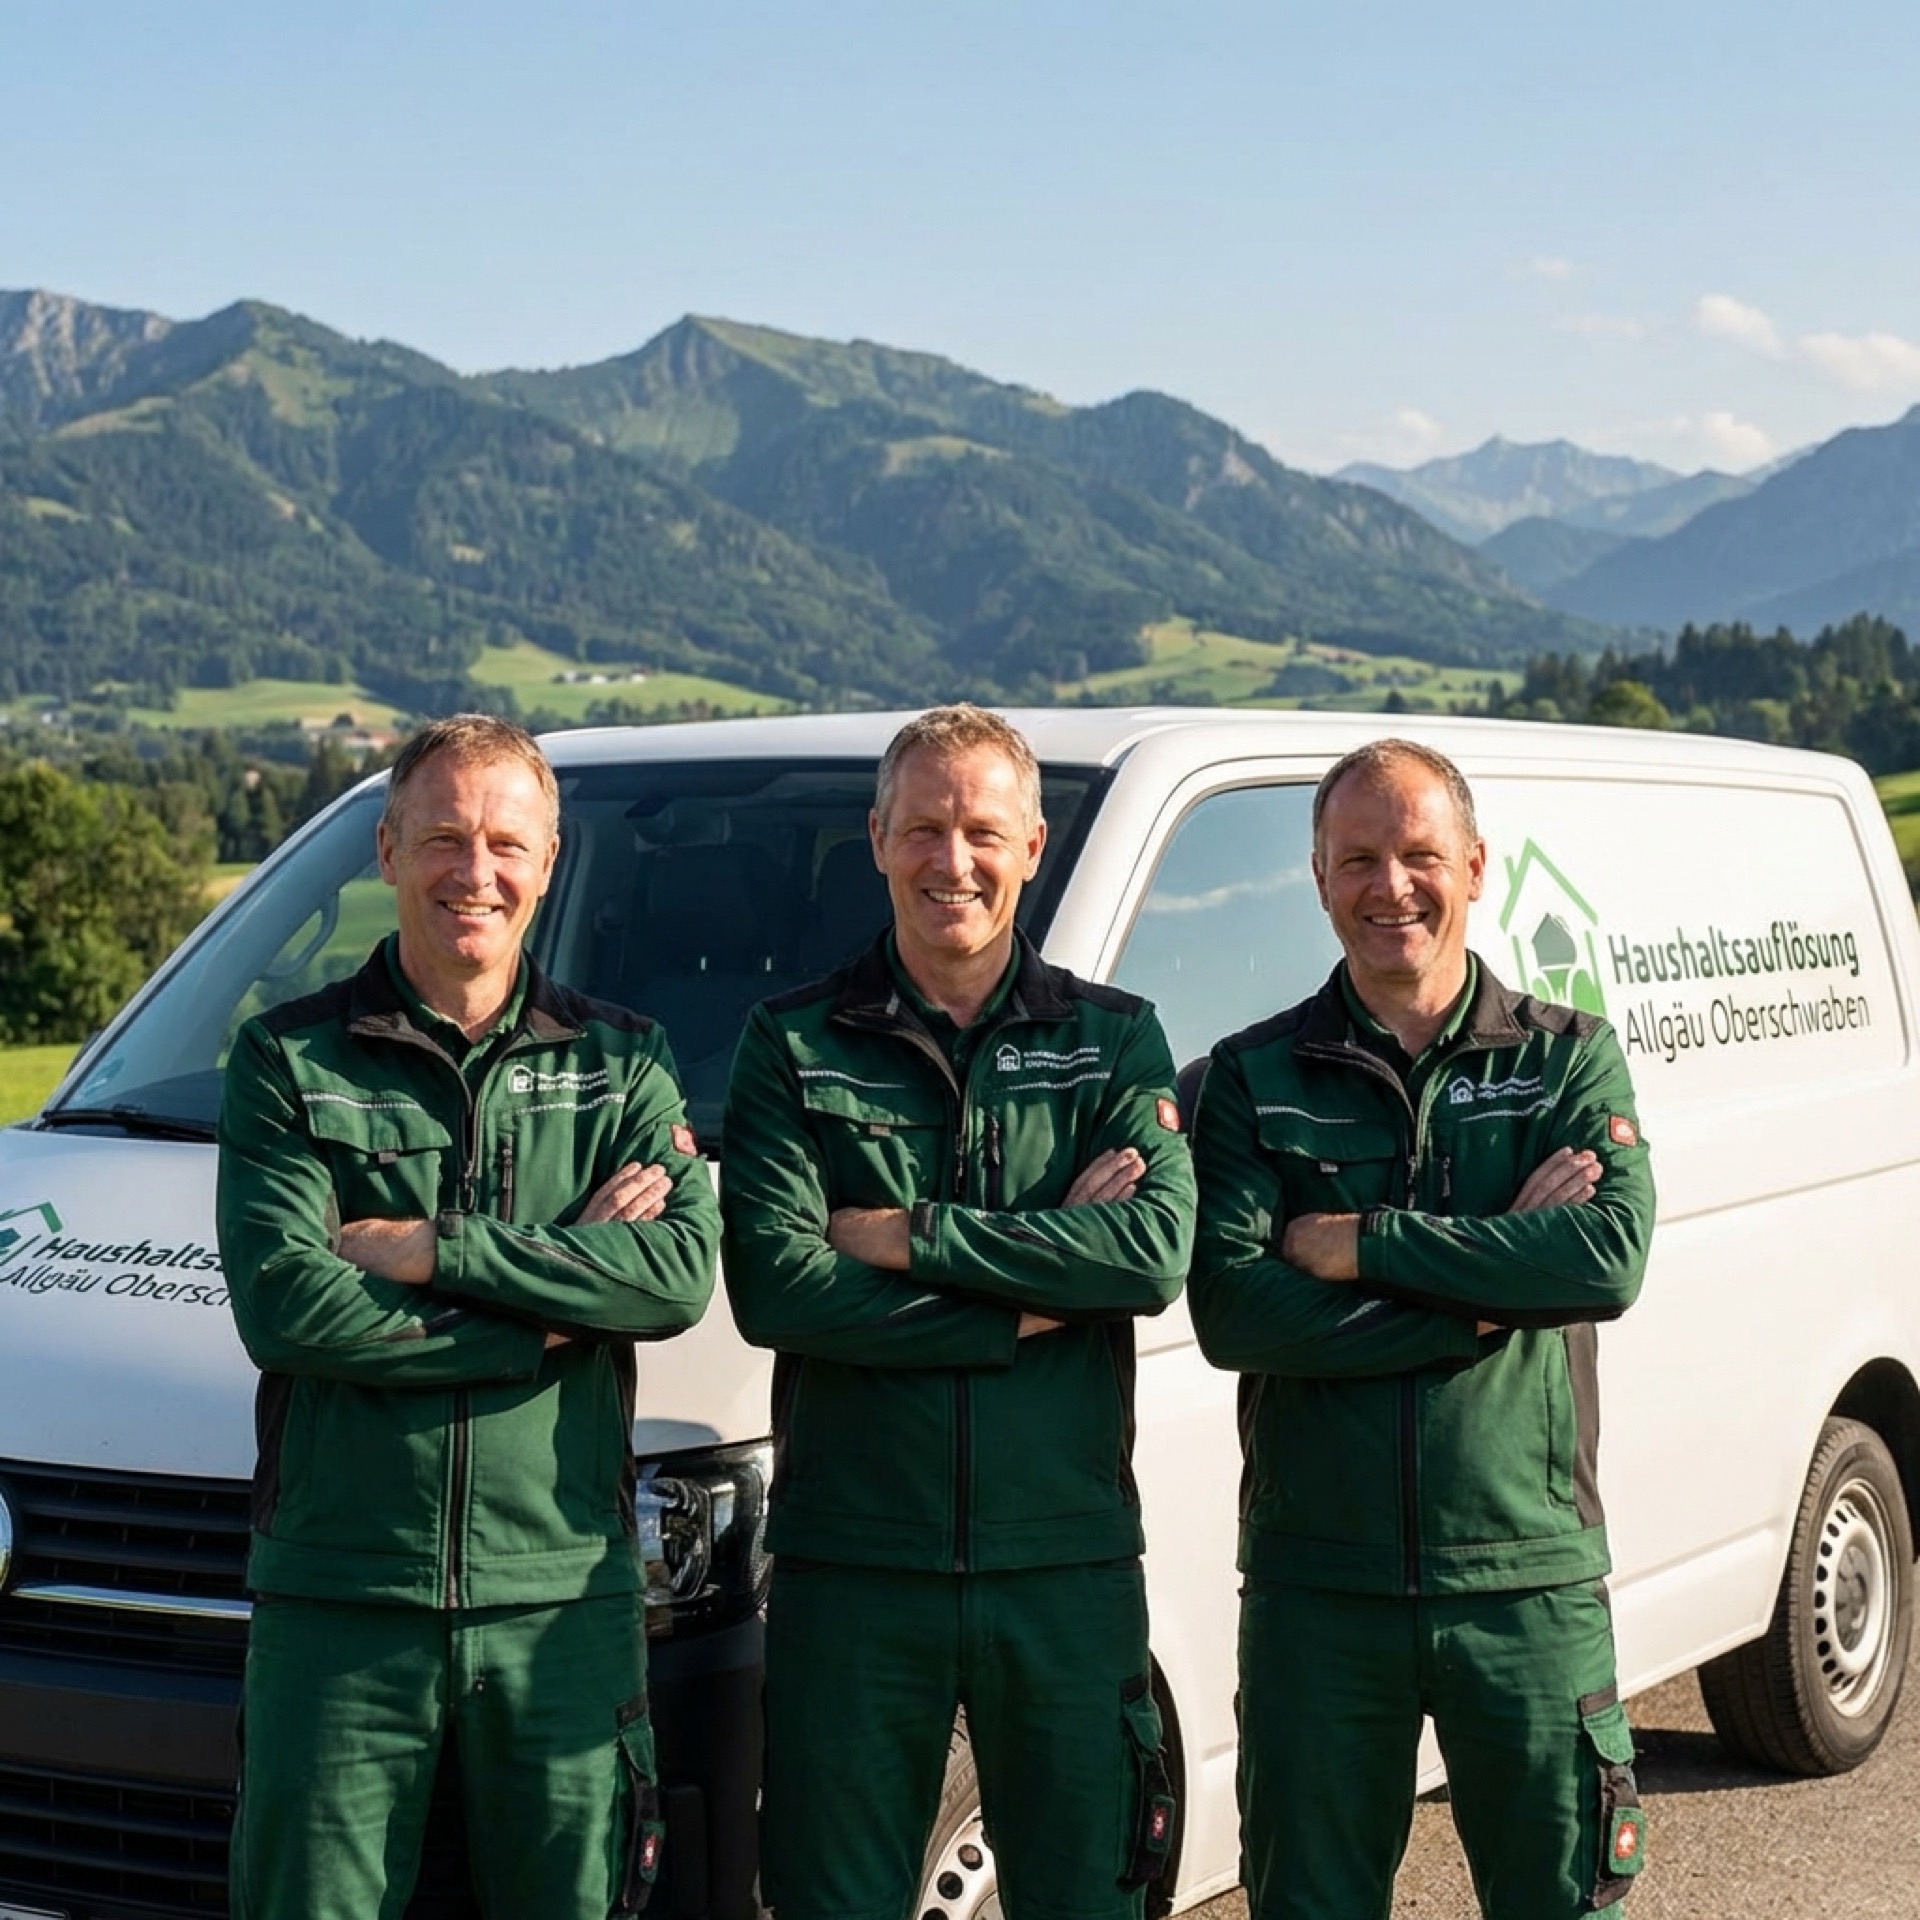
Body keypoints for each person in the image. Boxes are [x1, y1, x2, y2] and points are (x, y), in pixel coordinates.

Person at [216, 714, 719, 1920]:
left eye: (505, 843)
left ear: (549, 862)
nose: (474, 872)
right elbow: (288, 1307)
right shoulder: (290, 1059)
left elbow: (670, 1278)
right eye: (443, 837)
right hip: (343, 1596)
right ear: (388, 849)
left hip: (562, 1595)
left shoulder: (622, 1061)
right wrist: (544, 1315)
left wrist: (432, 1248)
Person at [721, 704, 1195, 1920]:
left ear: (1032, 845)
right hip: (855, 1566)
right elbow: (780, 1287)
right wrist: (1025, 1303)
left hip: (1065, 1562)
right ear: (878, 839)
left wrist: (905, 1236)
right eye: (924, 828)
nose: (953, 860)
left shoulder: (1111, 1041)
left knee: (1087, 1895)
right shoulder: (793, 1044)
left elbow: (1147, 1254)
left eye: (983, 830)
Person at [1189, 738, 1656, 1920]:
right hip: (1318, 1588)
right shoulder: (1252, 1077)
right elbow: (1238, 1310)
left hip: (1527, 1579)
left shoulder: (1565, 1057)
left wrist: (1369, 1245)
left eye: (1418, 855)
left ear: (1476, 867)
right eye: (1357, 859)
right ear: (1318, 878)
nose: (1389, 885)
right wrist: (1491, 1297)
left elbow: (1605, 1258)